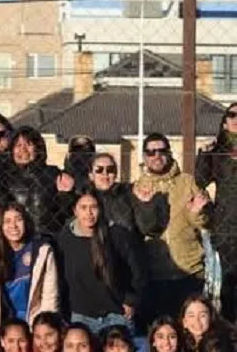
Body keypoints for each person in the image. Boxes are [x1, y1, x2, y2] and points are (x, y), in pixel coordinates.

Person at [133, 133, 211, 319]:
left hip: (188, 271)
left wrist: (197, 212)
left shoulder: (187, 182)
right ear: (144, 157)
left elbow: (205, 223)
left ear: (169, 153)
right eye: (151, 152)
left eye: (161, 151)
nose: (156, 156)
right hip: (154, 274)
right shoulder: (137, 188)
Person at [56, 189, 146, 335]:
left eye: (94, 207)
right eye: (83, 208)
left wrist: (131, 301)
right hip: (81, 317)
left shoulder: (116, 235)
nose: (89, 213)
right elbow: (61, 279)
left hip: (116, 314)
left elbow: (137, 271)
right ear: (75, 211)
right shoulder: (66, 239)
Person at [0, 201, 59, 329]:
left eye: (18, 220)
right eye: (7, 221)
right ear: (1, 226)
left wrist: (42, 329)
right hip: (2, 322)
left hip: (32, 322)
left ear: (26, 222)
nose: (13, 225)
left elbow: (50, 295)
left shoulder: (42, 250)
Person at [197, 104, 237, 320]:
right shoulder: (218, 151)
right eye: (232, 115)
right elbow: (201, 180)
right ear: (224, 121)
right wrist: (204, 154)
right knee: (229, 285)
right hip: (227, 228)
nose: (236, 119)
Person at [3, 126, 73, 238]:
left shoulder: (54, 174)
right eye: (18, 145)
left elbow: (67, 214)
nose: (23, 149)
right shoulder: (5, 178)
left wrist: (66, 195)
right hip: (15, 240)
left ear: (37, 147)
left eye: (28, 144)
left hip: (49, 238)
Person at [87, 153, 150, 235]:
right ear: (91, 175)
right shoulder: (83, 198)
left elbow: (146, 226)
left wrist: (145, 204)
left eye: (110, 170)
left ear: (115, 174)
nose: (105, 173)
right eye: (99, 170)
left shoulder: (130, 193)